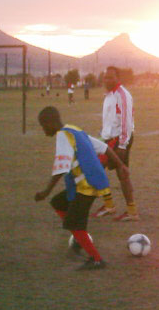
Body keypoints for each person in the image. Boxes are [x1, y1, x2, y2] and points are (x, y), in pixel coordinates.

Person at [34, 106, 127, 271]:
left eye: (43, 126)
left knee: (73, 223)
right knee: (58, 202)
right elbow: (104, 148)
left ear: (50, 123)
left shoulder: (63, 136)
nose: (43, 130)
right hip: (88, 183)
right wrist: (121, 166)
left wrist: (45, 192)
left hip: (86, 186)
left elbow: (61, 168)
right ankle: (79, 239)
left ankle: (96, 259)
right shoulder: (74, 130)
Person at [94, 66, 139, 221]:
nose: (107, 80)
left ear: (117, 79)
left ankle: (126, 210)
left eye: (110, 77)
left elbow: (127, 120)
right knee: (103, 170)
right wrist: (102, 136)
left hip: (119, 140)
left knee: (113, 172)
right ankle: (117, 207)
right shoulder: (109, 96)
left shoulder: (122, 95)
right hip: (108, 139)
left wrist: (122, 145)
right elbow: (110, 121)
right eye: (105, 77)